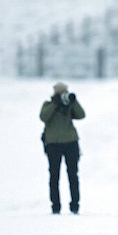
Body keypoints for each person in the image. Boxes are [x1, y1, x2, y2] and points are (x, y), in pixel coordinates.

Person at [40, 82, 85, 214]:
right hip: (53, 144)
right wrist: (55, 103)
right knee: (54, 175)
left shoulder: (69, 105)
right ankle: (55, 206)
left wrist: (73, 101)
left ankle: (75, 205)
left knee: (73, 175)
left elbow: (81, 115)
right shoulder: (48, 105)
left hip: (71, 143)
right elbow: (43, 117)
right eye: (61, 93)